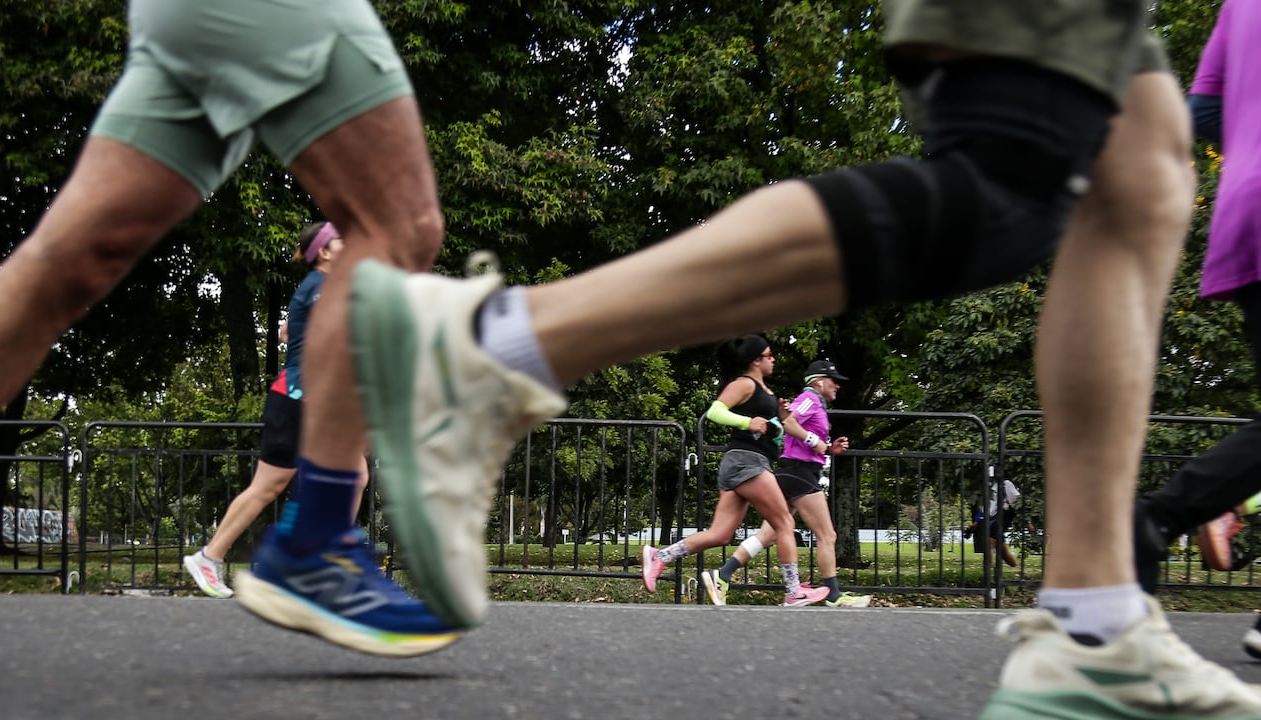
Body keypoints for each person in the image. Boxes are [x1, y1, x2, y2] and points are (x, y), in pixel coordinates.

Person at [340, 0, 1261, 713]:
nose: (799, 370)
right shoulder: (755, 387)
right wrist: (765, 418)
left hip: (768, 460)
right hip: (755, 458)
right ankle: (490, 349)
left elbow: (1209, 105)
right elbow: (722, 411)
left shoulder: (787, 396)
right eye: (794, 364)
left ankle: (1096, 632)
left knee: (1142, 174)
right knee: (1011, 190)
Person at [0, 0, 465, 656]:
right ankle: (309, 554)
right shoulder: (322, 286)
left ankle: (282, 549)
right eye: (337, 238)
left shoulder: (315, 285)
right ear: (325, 250)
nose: (344, 243)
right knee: (402, 232)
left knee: (60, 267)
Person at [1131, 0, 1261, 663]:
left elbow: (1204, 113)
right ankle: (1160, 517)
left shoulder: (1238, 7)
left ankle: (1160, 518)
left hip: (1245, 208)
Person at [183, 222, 368, 599]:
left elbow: (296, 330)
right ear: (325, 253)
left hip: (300, 399)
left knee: (275, 485)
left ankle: (212, 556)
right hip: (303, 399)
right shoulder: (322, 287)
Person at [640, 336, 830, 607]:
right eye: (769, 355)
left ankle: (660, 557)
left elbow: (773, 432)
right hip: (746, 462)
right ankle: (792, 591)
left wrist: (779, 418)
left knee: (720, 534)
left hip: (748, 463)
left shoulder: (767, 392)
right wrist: (747, 422)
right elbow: (715, 412)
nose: (773, 359)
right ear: (756, 360)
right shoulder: (744, 383)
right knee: (784, 524)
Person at [701, 359, 871, 608]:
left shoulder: (817, 403)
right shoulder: (809, 398)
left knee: (768, 535)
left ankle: (722, 576)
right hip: (799, 474)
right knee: (827, 534)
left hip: (799, 472)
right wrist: (818, 443)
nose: (838, 386)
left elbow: (801, 432)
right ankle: (833, 596)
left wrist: (828, 449)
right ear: (819, 381)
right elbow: (787, 423)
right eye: (834, 381)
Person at [965, 472, 1024, 569]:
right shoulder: (990, 486)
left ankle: (986, 575)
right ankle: (1019, 570)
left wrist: (1027, 522)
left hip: (1002, 518)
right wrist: (976, 522)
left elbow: (1018, 502)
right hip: (992, 519)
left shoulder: (1006, 484)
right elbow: (987, 508)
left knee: (989, 545)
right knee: (1003, 553)